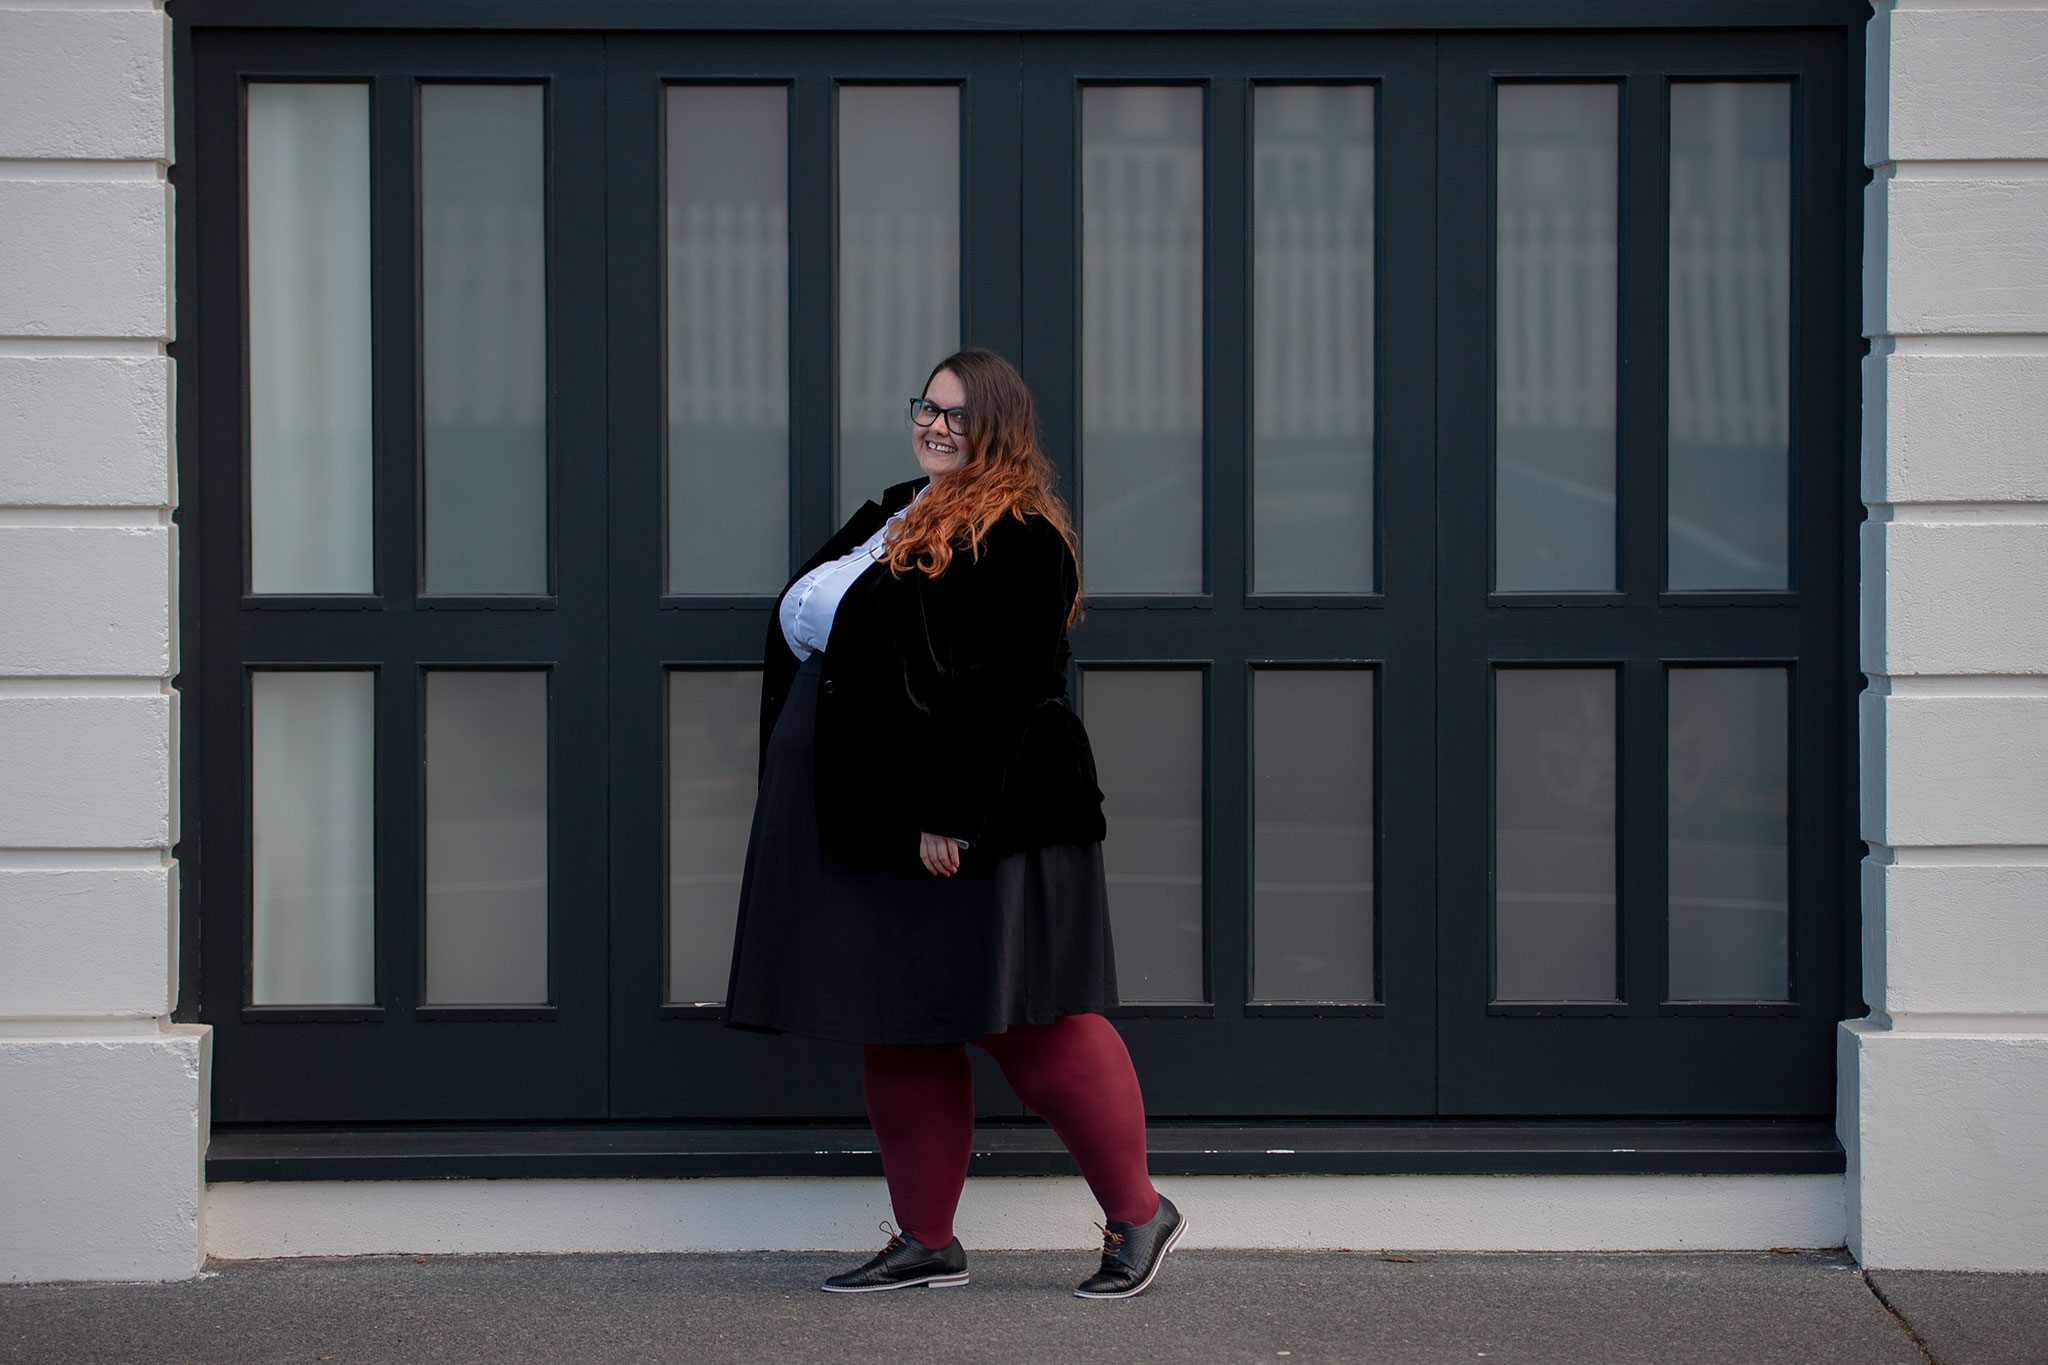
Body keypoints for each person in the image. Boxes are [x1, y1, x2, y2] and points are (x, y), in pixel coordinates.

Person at [723, 347, 1185, 1299]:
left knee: (1030, 1020)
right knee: (895, 1019)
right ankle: (925, 1240)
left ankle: (1138, 1213)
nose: (936, 427)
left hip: (979, 815)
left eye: (958, 416)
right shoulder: (897, 509)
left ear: (999, 429)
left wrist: (950, 815)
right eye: (927, 408)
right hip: (865, 808)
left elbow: (1009, 686)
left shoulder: (1018, 535)